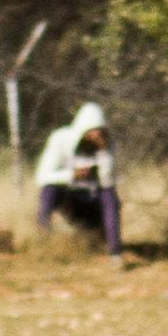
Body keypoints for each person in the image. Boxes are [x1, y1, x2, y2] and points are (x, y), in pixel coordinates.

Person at [34, 99, 119, 253]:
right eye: (92, 132)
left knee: (110, 196)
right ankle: (43, 240)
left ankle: (114, 250)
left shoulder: (107, 144)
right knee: (49, 189)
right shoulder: (60, 139)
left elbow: (108, 182)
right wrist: (72, 175)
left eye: (100, 132)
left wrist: (103, 152)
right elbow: (42, 176)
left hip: (92, 202)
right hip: (69, 200)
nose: (96, 137)